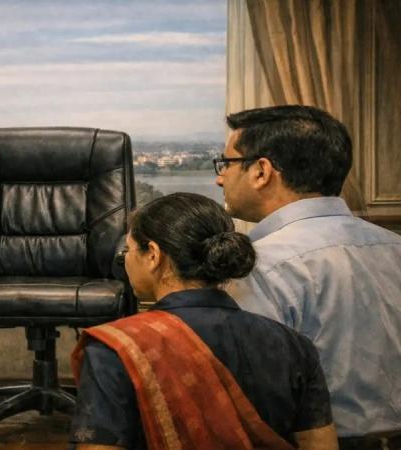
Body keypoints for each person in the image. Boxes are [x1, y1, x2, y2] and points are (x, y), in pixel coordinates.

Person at [68, 192, 336, 450]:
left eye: (128, 249)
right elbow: (320, 444)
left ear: (153, 255)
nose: (125, 260)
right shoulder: (295, 347)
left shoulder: (116, 350)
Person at [219, 105, 401, 449]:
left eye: (225, 164)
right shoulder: (394, 246)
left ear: (261, 171)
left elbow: (259, 400)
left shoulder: (258, 266)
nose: (219, 178)